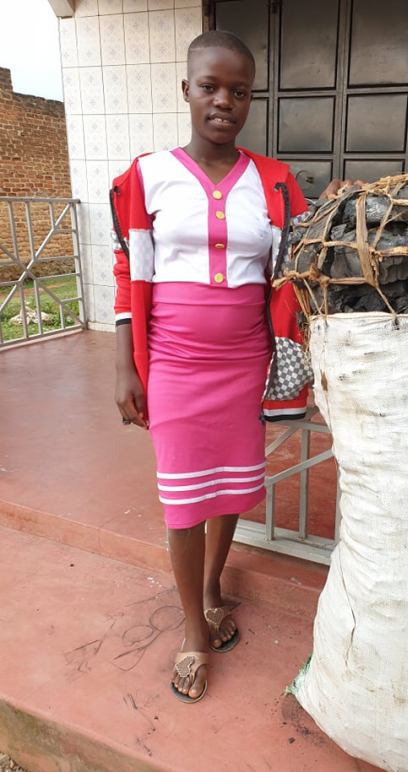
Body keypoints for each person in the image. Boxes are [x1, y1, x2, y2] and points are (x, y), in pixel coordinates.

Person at [111, 31, 317, 703]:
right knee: (182, 499)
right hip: (173, 362)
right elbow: (128, 272)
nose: (224, 101)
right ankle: (194, 632)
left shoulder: (275, 181)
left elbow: (298, 264)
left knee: (229, 488)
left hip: (245, 361)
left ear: (251, 99)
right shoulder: (148, 175)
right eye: (210, 87)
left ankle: (210, 590)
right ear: (187, 90)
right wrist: (126, 365)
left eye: (239, 91)